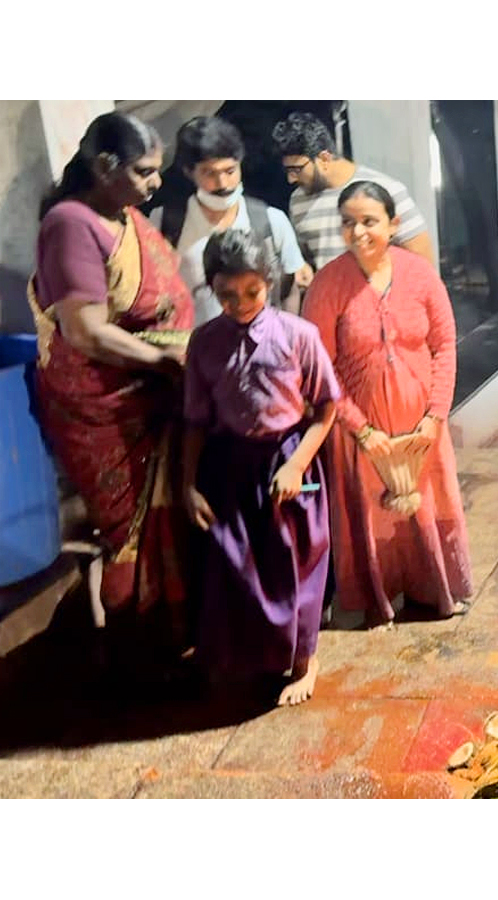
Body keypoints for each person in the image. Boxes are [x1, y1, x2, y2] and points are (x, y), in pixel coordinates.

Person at [26, 111, 195, 668]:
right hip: (107, 405)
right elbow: (86, 331)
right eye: (145, 172)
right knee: (129, 529)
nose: (156, 184)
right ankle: (135, 648)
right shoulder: (71, 224)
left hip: (150, 389)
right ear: (105, 166)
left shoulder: (121, 215)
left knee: (170, 515)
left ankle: (173, 629)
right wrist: (165, 361)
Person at [302, 181, 471, 625]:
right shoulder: (328, 283)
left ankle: (436, 589)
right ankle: (383, 595)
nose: (358, 232)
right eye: (348, 223)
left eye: (369, 221)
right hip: (362, 430)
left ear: (393, 224)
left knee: (432, 506)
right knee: (373, 518)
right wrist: (362, 428)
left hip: (422, 425)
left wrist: (436, 414)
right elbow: (321, 366)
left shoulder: (420, 274)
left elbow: (446, 344)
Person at [182, 230, 339, 706]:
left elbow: (326, 409)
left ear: (269, 282)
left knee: (297, 566)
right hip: (232, 465)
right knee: (241, 566)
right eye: (226, 295)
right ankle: (256, 654)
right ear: (211, 288)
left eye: (252, 292)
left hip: (290, 460)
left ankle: (304, 660)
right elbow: (194, 420)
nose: (240, 304)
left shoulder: (298, 336)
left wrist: (295, 465)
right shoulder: (204, 344)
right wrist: (187, 484)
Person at [151, 116, 307, 323]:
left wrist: (284, 339)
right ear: (189, 172)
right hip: (195, 347)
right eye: (209, 173)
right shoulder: (165, 222)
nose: (222, 183)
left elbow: (290, 289)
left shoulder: (271, 221)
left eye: (230, 171)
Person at [271, 112, 434, 273]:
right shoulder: (298, 201)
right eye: (287, 170)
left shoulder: (386, 189)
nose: (291, 179)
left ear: (325, 159)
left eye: (297, 169)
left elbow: (423, 266)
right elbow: (306, 263)